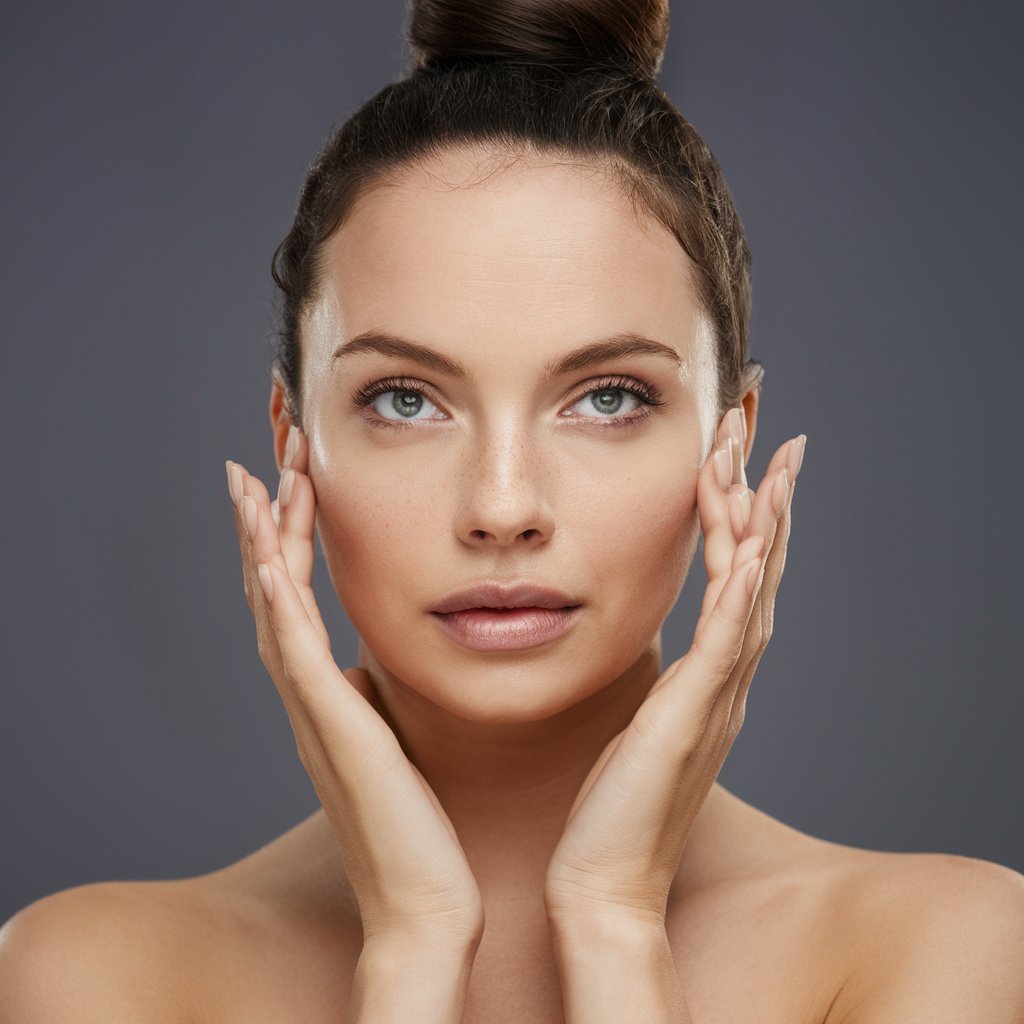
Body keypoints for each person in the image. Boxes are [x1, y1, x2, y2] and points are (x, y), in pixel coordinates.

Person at [3, 1, 1023, 1021]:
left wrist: (612, 919)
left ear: (732, 439)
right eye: (405, 399)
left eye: (607, 397)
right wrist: (412, 941)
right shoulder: (101, 978)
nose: (501, 508)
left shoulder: (940, 949)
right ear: (291, 440)